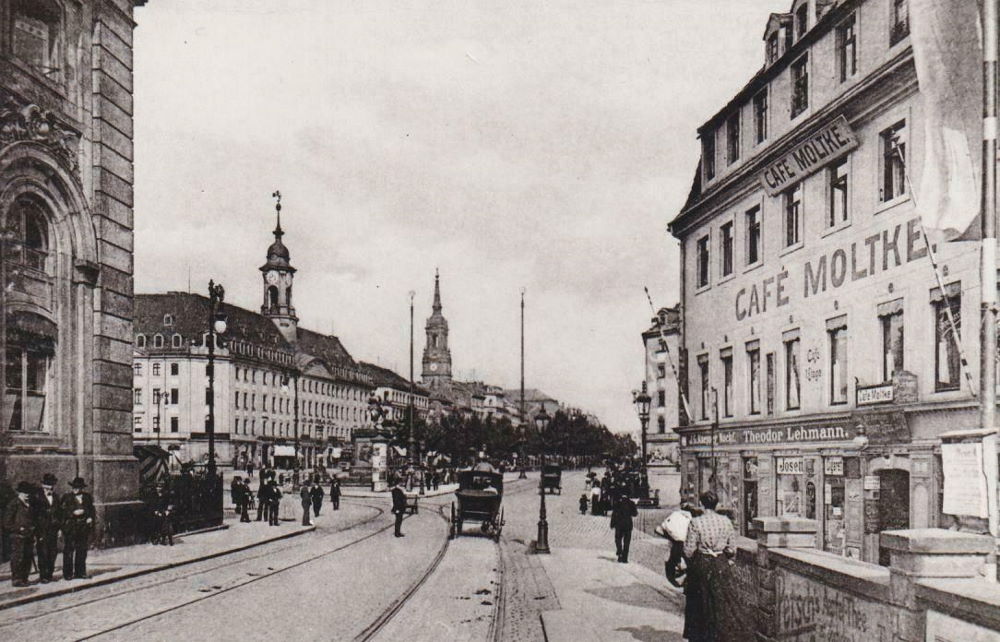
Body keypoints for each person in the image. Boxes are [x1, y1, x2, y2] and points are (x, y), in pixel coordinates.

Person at [682, 491, 736, 642]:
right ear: (717, 504)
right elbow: (732, 549)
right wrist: (727, 560)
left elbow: (689, 550)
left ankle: (699, 637)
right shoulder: (726, 521)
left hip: (702, 564)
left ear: (701, 504)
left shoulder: (696, 522)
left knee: (698, 602)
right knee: (720, 602)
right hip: (720, 563)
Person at [60, 477, 95, 581]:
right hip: (71, 527)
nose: (75, 489)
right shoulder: (66, 497)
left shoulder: (87, 497)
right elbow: (61, 512)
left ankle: (80, 572)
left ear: (82, 488)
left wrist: (90, 518)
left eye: (78, 487)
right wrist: (72, 513)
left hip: (83, 528)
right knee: (69, 550)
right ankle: (68, 573)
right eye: (74, 487)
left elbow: (92, 510)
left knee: (82, 550)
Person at [655, 501, 694, 588]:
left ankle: (676, 581)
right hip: (687, 545)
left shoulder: (674, 515)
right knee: (688, 566)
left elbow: (659, 529)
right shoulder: (692, 519)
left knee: (672, 565)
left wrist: (670, 536)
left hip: (675, 544)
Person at [4, 482, 35, 586]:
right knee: (18, 558)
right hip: (17, 536)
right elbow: (6, 523)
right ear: (19, 493)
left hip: (29, 535)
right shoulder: (14, 504)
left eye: (28, 493)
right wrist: (19, 528)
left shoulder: (30, 504)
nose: (27, 495)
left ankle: (25, 578)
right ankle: (17, 579)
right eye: (24, 493)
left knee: (28, 557)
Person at [34, 473, 61, 583]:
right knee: (43, 552)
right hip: (42, 530)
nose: (49, 488)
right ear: (43, 485)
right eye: (47, 485)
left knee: (53, 552)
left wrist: (59, 529)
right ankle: (43, 575)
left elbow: (59, 513)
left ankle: (49, 574)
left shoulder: (56, 497)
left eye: (51, 485)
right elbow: (34, 515)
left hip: (53, 529)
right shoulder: (37, 497)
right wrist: (36, 531)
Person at [609, 492, 637, 563]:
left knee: (618, 539)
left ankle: (619, 552)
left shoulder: (617, 503)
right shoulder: (631, 503)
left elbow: (614, 514)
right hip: (628, 525)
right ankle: (625, 558)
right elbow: (635, 514)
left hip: (619, 525)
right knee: (627, 542)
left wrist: (612, 524)